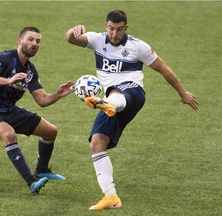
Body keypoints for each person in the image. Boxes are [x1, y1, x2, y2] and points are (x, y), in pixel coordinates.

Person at [65, 10, 199, 210]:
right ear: (106, 26)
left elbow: (163, 68)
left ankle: (109, 103)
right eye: (111, 28)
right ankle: (111, 198)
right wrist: (73, 32)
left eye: (119, 29)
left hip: (133, 94)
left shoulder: (138, 47)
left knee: (116, 94)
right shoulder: (97, 40)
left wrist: (183, 92)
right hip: (109, 100)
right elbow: (70, 40)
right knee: (96, 143)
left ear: (126, 28)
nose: (114, 34)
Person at [0, 26, 74, 194]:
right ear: (19, 41)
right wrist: (8, 80)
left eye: (37, 41)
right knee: (9, 135)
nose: (34, 43)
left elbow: (42, 100)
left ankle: (42, 169)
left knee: (50, 131)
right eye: (30, 39)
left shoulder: (30, 70)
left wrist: (58, 94)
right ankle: (32, 181)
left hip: (10, 110)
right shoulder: (5, 58)